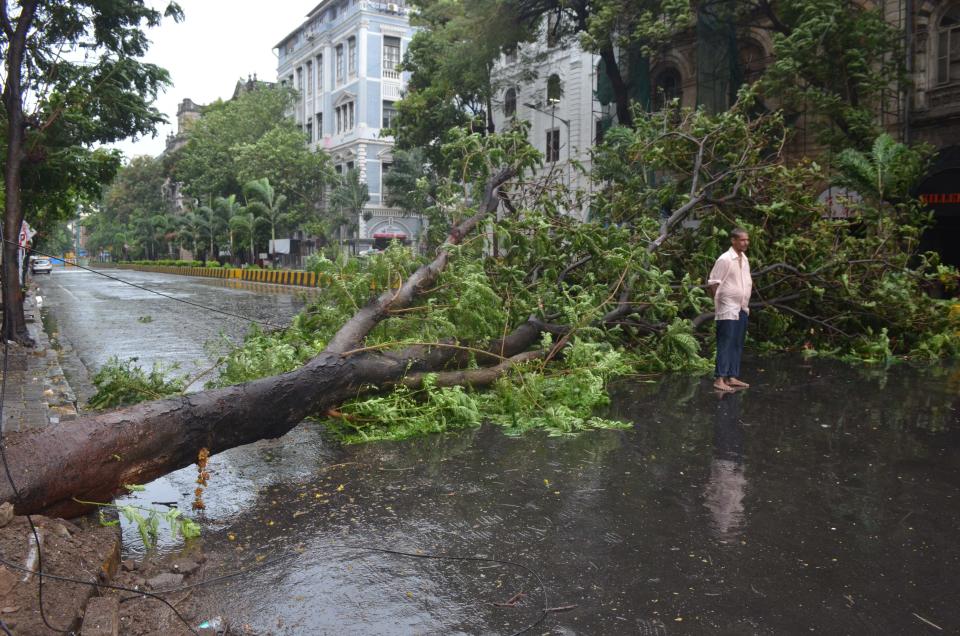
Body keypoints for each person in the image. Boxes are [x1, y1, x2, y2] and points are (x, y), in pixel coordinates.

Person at [707, 228, 752, 392]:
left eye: (747, 240)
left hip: (741, 307)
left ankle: (732, 377)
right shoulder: (725, 259)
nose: (745, 243)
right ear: (733, 240)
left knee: (737, 343)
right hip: (727, 308)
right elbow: (713, 282)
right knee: (725, 343)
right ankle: (719, 379)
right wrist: (719, 303)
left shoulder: (744, 259)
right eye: (742, 240)